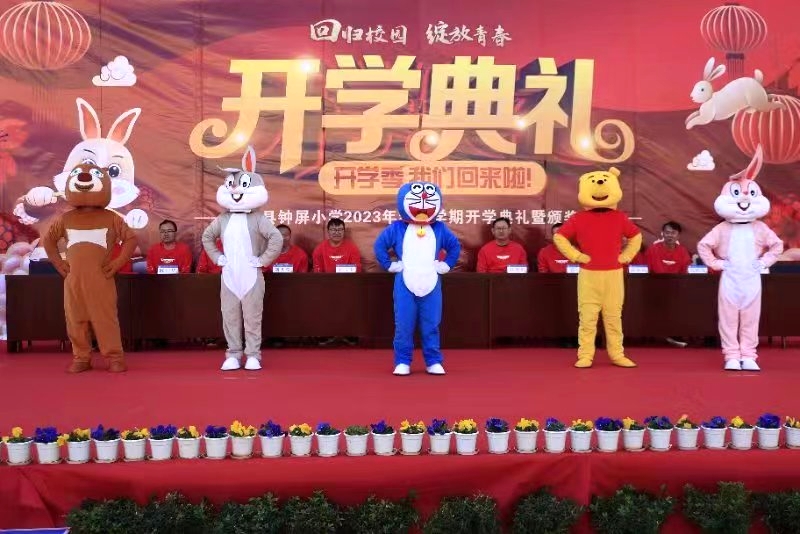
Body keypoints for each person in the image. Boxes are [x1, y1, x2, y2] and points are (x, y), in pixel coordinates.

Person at [41, 163, 136, 373]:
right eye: (77, 174)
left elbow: (130, 239)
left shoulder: (112, 218)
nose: (83, 178)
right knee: (75, 320)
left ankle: (114, 357)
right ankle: (81, 357)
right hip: (73, 281)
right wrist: (58, 263)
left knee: (105, 319)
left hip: (101, 280)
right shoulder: (65, 219)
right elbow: (48, 241)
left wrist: (117, 263)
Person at [697, 146, 782, 371]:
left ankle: (749, 355)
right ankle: (731, 355)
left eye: (750, 194)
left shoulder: (760, 227)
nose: (744, 198)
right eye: (737, 194)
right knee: (728, 319)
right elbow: (704, 245)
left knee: (751, 319)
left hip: (751, 280)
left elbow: (777, 246)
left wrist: (763, 262)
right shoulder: (723, 228)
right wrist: (717, 264)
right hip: (730, 280)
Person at [201, 146, 283, 371]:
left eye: (243, 185)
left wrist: (263, 260)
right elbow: (207, 237)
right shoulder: (223, 219)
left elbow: (276, 238)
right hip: (229, 276)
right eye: (232, 185)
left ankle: (253, 354)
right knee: (230, 317)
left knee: (252, 317)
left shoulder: (258, 218)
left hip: (251, 276)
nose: (236, 190)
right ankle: (233, 354)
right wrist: (217, 257)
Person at [554, 167, 642, 369]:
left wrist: (626, 256)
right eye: (594, 181)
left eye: (604, 180)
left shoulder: (619, 217)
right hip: (588, 275)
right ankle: (585, 355)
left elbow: (636, 236)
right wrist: (576, 256)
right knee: (587, 318)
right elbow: (559, 237)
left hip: (614, 274)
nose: (600, 184)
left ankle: (617, 354)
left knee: (614, 317)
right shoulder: (578, 218)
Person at [374, 181, 461, 376]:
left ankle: (433, 361)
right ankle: (402, 361)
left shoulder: (439, 228)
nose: (422, 201)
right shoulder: (397, 228)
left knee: (431, 324)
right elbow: (380, 245)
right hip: (405, 283)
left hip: (431, 282)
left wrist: (446, 264)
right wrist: (389, 264)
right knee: (404, 324)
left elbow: (454, 246)